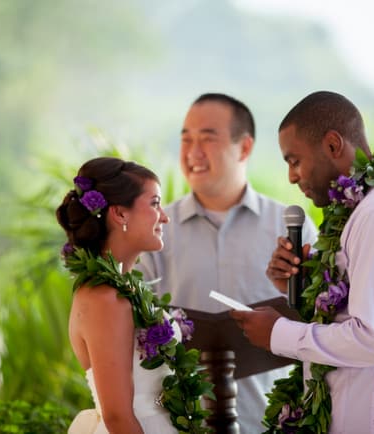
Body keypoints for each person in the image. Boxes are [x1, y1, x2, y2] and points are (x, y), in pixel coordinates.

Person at [231, 91, 374, 433]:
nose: (291, 176)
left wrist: (278, 333)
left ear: (333, 145)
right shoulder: (359, 212)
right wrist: (301, 286)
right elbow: (349, 318)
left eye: (294, 160)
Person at [137, 93, 318, 433]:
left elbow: (323, 321)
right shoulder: (155, 229)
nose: (193, 153)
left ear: (244, 148)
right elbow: (132, 328)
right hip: (178, 424)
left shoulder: (290, 225)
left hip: (272, 423)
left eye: (207, 139)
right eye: (186, 139)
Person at [56, 157, 183, 434]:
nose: (165, 216)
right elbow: (117, 417)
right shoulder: (103, 299)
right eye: (154, 203)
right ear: (120, 214)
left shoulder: (128, 289)